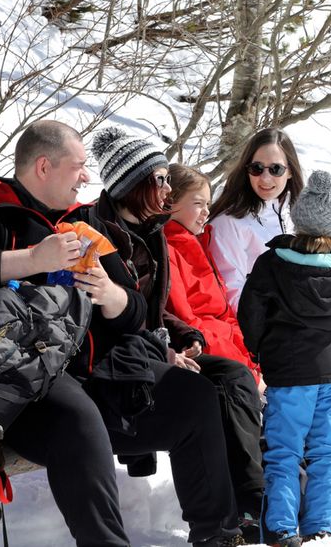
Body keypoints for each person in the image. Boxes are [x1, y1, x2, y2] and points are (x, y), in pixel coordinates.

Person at [0, 121, 244, 547]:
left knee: (195, 396)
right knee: (80, 419)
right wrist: (31, 259)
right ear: (43, 167)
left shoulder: (82, 223)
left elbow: (136, 311)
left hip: (95, 372)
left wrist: (114, 297)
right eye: (79, 167)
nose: (88, 177)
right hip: (13, 385)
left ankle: (217, 535)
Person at [85, 128, 265, 536]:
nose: (167, 188)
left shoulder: (152, 233)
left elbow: (156, 310)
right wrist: (164, 350)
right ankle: (215, 528)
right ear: (134, 184)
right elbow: (108, 324)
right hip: (111, 366)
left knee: (232, 376)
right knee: (198, 394)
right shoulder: (98, 235)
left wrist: (183, 336)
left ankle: (250, 499)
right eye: (161, 179)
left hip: (152, 350)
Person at [238, 171, 331, 546]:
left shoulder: (273, 263)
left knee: (284, 452)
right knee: (327, 452)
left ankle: (281, 528)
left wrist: (260, 349)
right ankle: (320, 527)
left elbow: (251, 313)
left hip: (289, 372)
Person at [165, 163, 259, 381]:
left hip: (232, 345)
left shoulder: (198, 242)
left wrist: (253, 356)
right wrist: (248, 369)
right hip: (211, 351)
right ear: (170, 204)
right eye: (198, 203)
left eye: (208, 203)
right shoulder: (168, 251)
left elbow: (224, 314)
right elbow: (188, 321)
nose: (206, 212)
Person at [208, 128, 304, 309]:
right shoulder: (229, 223)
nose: (265, 179)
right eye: (257, 168)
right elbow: (231, 294)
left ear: (290, 171)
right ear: (247, 170)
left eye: (276, 169)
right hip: (259, 327)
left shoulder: (296, 215)